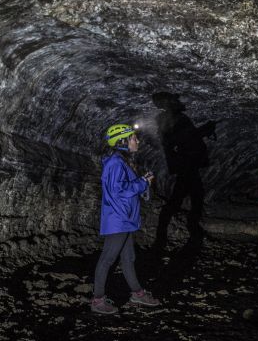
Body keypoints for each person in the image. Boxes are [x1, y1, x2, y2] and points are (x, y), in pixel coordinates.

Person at [90, 123, 161, 314]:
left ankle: (137, 293)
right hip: (118, 219)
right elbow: (118, 191)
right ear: (122, 141)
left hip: (125, 218)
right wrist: (142, 182)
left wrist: (142, 181)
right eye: (132, 138)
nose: (136, 140)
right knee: (107, 259)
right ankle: (97, 300)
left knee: (128, 258)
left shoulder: (121, 162)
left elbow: (124, 187)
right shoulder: (115, 163)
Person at [152, 92, 217, 248]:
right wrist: (205, 130)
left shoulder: (173, 118)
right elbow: (183, 138)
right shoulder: (170, 118)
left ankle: (174, 235)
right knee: (185, 198)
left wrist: (203, 132)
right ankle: (188, 234)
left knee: (188, 197)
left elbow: (186, 137)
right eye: (174, 99)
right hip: (186, 164)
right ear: (168, 102)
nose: (178, 100)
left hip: (188, 164)